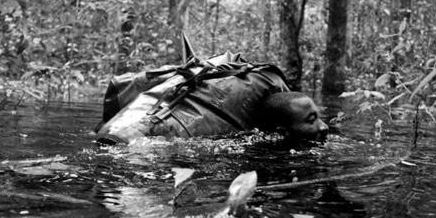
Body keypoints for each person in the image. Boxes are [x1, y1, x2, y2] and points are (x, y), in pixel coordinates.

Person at [95, 50, 328, 144]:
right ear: (281, 133)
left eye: (317, 117)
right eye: (312, 120)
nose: (324, 126)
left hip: (112, 135)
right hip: (140, 147)